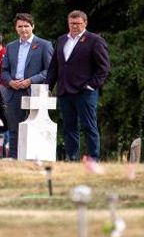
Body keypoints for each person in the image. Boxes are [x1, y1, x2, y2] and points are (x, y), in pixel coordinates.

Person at [47, 10, 110, 161]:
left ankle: (94, 158)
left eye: (78, 23)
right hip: (65, 91)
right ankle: (72, 158)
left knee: (89, 126)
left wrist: (91, 86)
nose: (74, 26)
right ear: (68, 23)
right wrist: (47, 87)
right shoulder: (62, 40)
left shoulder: (95, 40)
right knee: (69, 127)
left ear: (85, 23)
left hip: (85, 91)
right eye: (72, 23)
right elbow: (54, 66)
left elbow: (104, 68)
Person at [0, 13, 53, 159]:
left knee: (34, 128)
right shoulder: (10, 47)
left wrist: (30, 80)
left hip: (34, 92)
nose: (23, 29)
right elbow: (3, 70)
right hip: (14, 91)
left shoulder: (44, 45)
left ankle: (33, 158)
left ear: (33, 26)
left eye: (26, 26)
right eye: (20, 26)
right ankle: (14, 158)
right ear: (16, 28)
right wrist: (10, 82)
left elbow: (50, 70)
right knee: (14, 128)